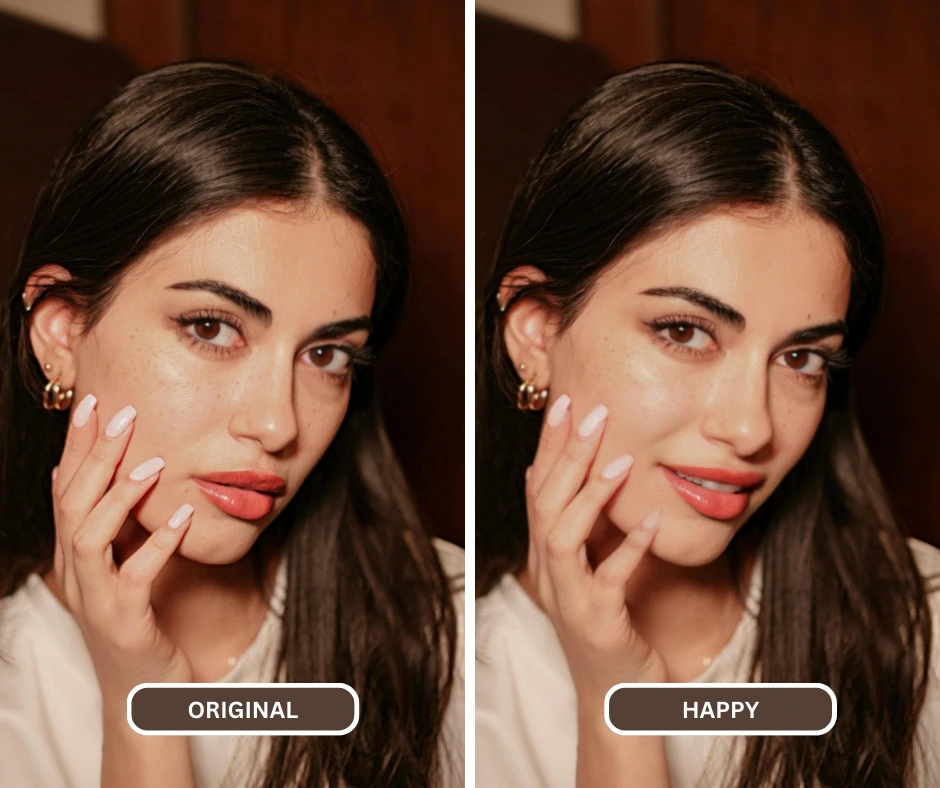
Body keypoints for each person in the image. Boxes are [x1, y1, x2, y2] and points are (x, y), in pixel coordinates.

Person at [476, 61, 940, 788]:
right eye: (686, 333)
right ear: (535, 332)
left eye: (800, 358)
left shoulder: (925, 629)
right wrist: (614, 702)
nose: (751, 428)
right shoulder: (448, 694)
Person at [0, 61, 463, 788]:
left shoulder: (458, 629)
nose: (278, 423)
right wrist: (140, 700)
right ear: (60, 333)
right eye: (211, 327)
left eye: (326, 354)